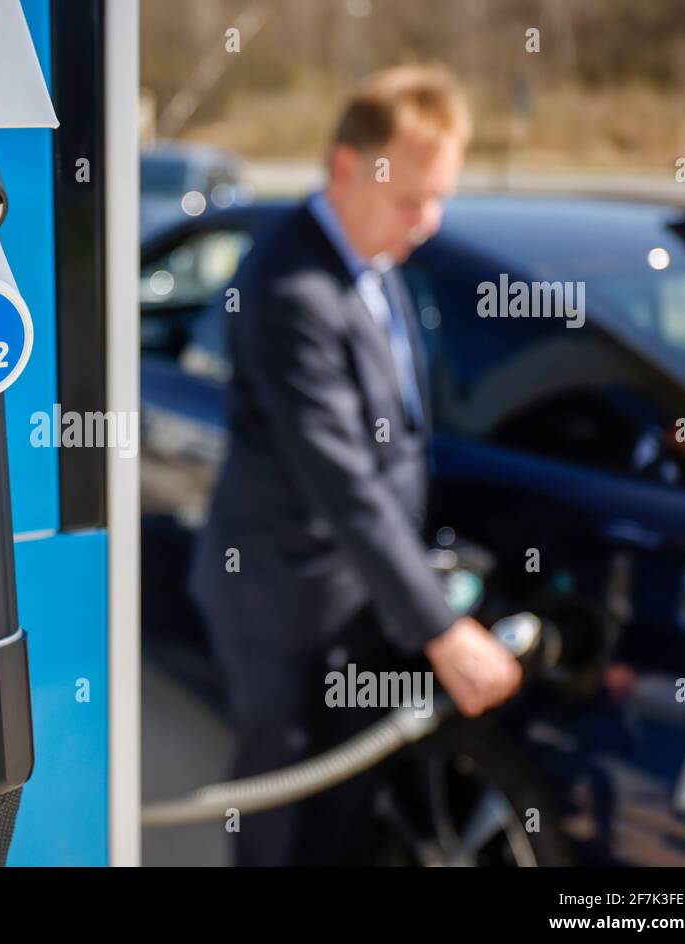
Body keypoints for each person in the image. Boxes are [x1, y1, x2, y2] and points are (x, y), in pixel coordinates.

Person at [189, 65, 522, 866]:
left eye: (439, 196)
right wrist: (441, 628)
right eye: (413, 199)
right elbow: (344, 479)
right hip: (288, 603)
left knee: (343, 814)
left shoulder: (372, 262)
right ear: (347, 168)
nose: (429, 221)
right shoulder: (291, 289)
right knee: (285, 809)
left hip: (359, 594)